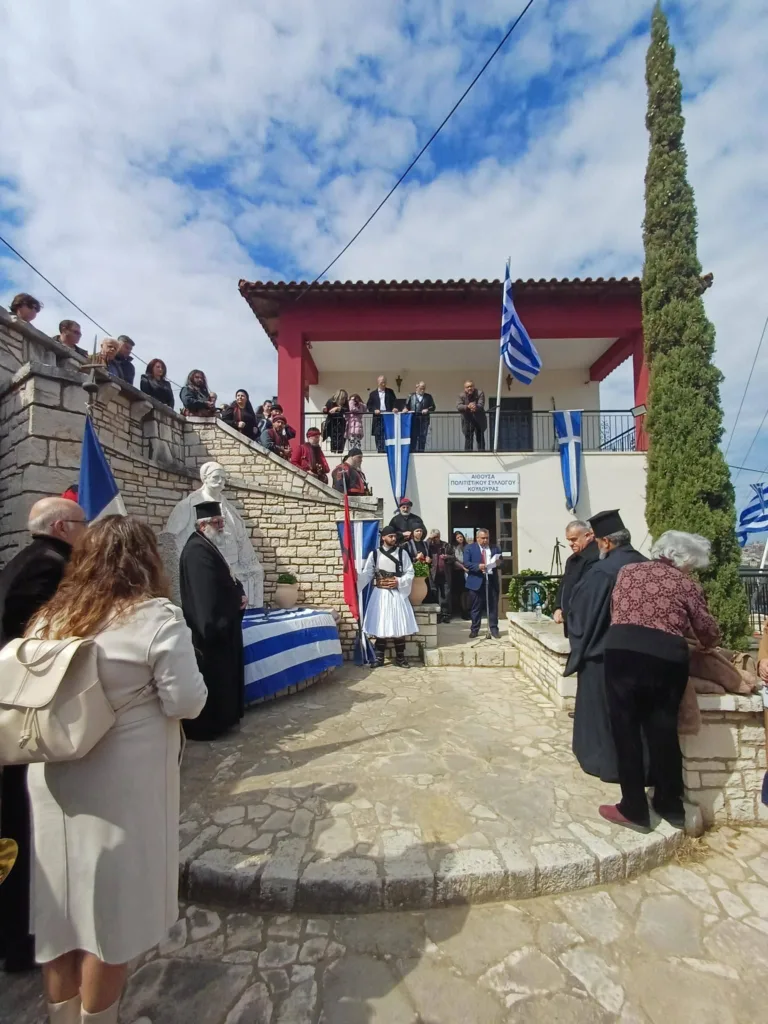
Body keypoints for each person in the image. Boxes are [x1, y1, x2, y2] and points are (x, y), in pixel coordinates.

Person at [24, 516, 206, 1024]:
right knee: (110, 921)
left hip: (54, 782)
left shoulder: (50, 617)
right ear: (146, 561)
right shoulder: (155, 619)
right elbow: (187, 701)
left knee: (61, 918)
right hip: (119, 792)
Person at [0, 498, 87, 975]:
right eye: (80, 523)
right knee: (21, 827)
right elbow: (42, 647)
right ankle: (20, 936)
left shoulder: (24, 561)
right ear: (60, 526)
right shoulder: (48, 570)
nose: (85, 530)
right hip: (24, 718)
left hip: (16, 715)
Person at [601, 531, 720, 830]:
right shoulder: (686, 584)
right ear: (685, 560)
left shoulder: (626, 571)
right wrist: (708, 642)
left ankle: (634, 809)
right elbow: (706, 628)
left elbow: (617, 610)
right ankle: (670, 804)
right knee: (663, 728)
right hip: (665, 658)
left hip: (621, 652)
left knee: (625, 730)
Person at [564, 509, 647, 784]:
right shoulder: (647, 566)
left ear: (606, 542)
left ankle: (607, 767)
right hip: (644, 656)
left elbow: (583, 616)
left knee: (607, 719)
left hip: (604, 657)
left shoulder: (602, 571)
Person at [179, 502, 245, 741]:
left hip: (222, 625)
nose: (220, 527)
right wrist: (233, 605)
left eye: (221, 522)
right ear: (202, 524)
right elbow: (207, 597)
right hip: (210, 631)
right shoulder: (197, 552)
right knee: (214, 679)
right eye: (216, 523)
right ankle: (211, 727)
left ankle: (225, 721)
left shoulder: (207, 546)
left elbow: (226, 581)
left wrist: (239, 593)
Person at [358, 525, 418, 668]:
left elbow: (410, 572)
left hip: (397, 593)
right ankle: (379, 658)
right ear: (383, 537)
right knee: (381, 623)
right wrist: (355, 579)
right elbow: (367, 574)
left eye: (394, 536)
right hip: (380, 594)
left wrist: (398, 581)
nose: (393, 538)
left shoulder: (402, 553)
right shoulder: (375, 554)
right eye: (390, 536)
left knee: (399, 624)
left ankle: (400, 658)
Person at [553, 520, 599, 635]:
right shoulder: (572, 559)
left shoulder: (595, 557)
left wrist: (567, 613)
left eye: (574, 539)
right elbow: (564, 585)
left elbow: (585, 592)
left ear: (587, 536)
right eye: (568, 540)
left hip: (583, 622)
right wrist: (558, 607)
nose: (570, 543)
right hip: (570, 620)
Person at [464, 529, 502, 638]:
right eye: (483, 538)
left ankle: (494, 629)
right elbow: (466, 563)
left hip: (491, 581)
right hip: (476, 581)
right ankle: (475, 629)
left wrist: (498, 563)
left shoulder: (495, 548)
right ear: (477, 538)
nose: (485, 540)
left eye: (487, 538)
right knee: (476, 607)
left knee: (493, 606)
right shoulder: (470, 548)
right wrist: (478, 566)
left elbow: (502, 562)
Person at [428, 529, 454, 622]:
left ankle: (446, 615)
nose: (436, 539)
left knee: (446, 595)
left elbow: (453, 557)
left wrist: (447, 557)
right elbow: (424, 548)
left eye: (437, 536)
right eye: (434, 537)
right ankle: (437, 615)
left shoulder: (446, 545)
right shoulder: (429, 546)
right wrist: (429, 538)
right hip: (433, 574)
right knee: (434, 594)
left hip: (445, 573)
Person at [367, 375, 397, 453]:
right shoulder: (373, 394)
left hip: (388, 415)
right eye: (381, 383)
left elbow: (395, 402)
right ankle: (380, 450)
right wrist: (374, 410)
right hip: (378, 416)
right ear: (378, 383)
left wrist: (394, 408)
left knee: (388, 432)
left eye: (384, 382)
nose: (383, 384)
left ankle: (389, 450)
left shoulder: (390, 392)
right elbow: (369, 405)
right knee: (378, 433)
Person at [405, 381, 436, 452]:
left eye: (424, 388)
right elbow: (406, 406)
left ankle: (421, 451)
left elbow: (433, 407)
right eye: (421, 388)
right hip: (413, 418)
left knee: (422, 436)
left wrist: (427, 409)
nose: (422, 390)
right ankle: (413, 451)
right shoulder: (411, 396)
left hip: (424, 419)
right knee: (413, 436)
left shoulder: (428, 396)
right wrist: (405, 409)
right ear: (417, 388)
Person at [457, 380, 487, 451]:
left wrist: (474, 406)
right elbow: (459, 406)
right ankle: (468, 455)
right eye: (468, 387)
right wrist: (468, 406)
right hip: (468, 420)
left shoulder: (480, 393)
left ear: (474, 387)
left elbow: (481, 404)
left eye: (471, 386)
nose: (470, 388)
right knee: (468, 439)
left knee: (480, 438)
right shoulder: (461, 395)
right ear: (465, 388)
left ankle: (482, 455)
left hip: (479, 419)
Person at [322, 389, 349, 455]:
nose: (344, 400)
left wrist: (338, 408)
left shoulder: (345, 403)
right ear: (338, 397)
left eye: (345, 399)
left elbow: (347, 410)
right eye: (342, 398)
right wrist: (325, 409)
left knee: (342, 438)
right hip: (332, 422)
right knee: (333, 437)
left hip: (342, 422)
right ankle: (333, 452)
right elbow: (326, 410)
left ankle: (340, 452)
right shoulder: (331, 401)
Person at [451, 530, 471, 620]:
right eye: (458, 538)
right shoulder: (454, 548)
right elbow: (454, 560)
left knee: (468, 592)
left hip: (469, 572)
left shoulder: (467, 546)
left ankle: (468, 609)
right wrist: (463, 567)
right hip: (459, 573)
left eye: (461, 537)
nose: (460, 539)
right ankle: (463, 611)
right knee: (462, 593)